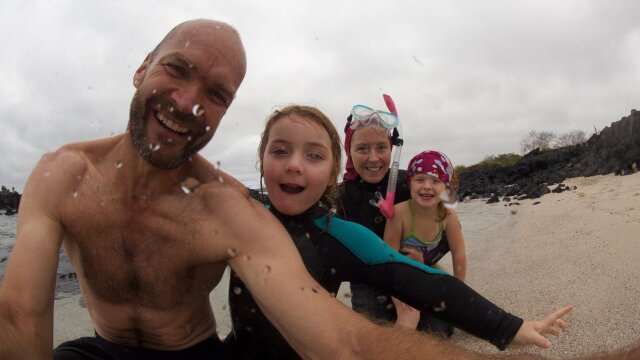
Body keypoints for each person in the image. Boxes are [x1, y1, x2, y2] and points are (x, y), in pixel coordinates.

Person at [0, 18, 638, 360]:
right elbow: (21, 316)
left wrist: (510, 328)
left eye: (217, 94)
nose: (190, 103)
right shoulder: (62, 175)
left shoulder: (234, 212)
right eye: (176, 70)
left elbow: (375, 311)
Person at [223, 105, 572, 359]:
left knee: (425, 328)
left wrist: (507, 327)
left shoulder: (381, 204)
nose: (294, 164)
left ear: (330, 171)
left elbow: (428, 276)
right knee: (375, 321)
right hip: (354, 286)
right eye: (280, 151)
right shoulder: (240, 211)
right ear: (261, 161)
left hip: (386, 264)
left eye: (313, 155)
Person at [339, 102, 455, 335]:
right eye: (362, 149)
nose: (373, 158)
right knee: (373, 339)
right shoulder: (339, 198)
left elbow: (448, 226)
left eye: (381, 147)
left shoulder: (411, 184)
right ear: (348, 151)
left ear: (392, 147)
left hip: (414, 268)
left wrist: (427, 256)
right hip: (368, 280)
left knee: (439, 333)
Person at [383, 150, 467, 331]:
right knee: (410, 317)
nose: (427, 186)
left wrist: (459, 290)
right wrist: (397, 295)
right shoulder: (399, 213)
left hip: (426, 267)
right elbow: (386, 258)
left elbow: (458, 253)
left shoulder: (447, 215)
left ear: (446, 187)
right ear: (410, 183)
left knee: (462, 306)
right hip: (399, 274)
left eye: (435, 181)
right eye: (420, 180)